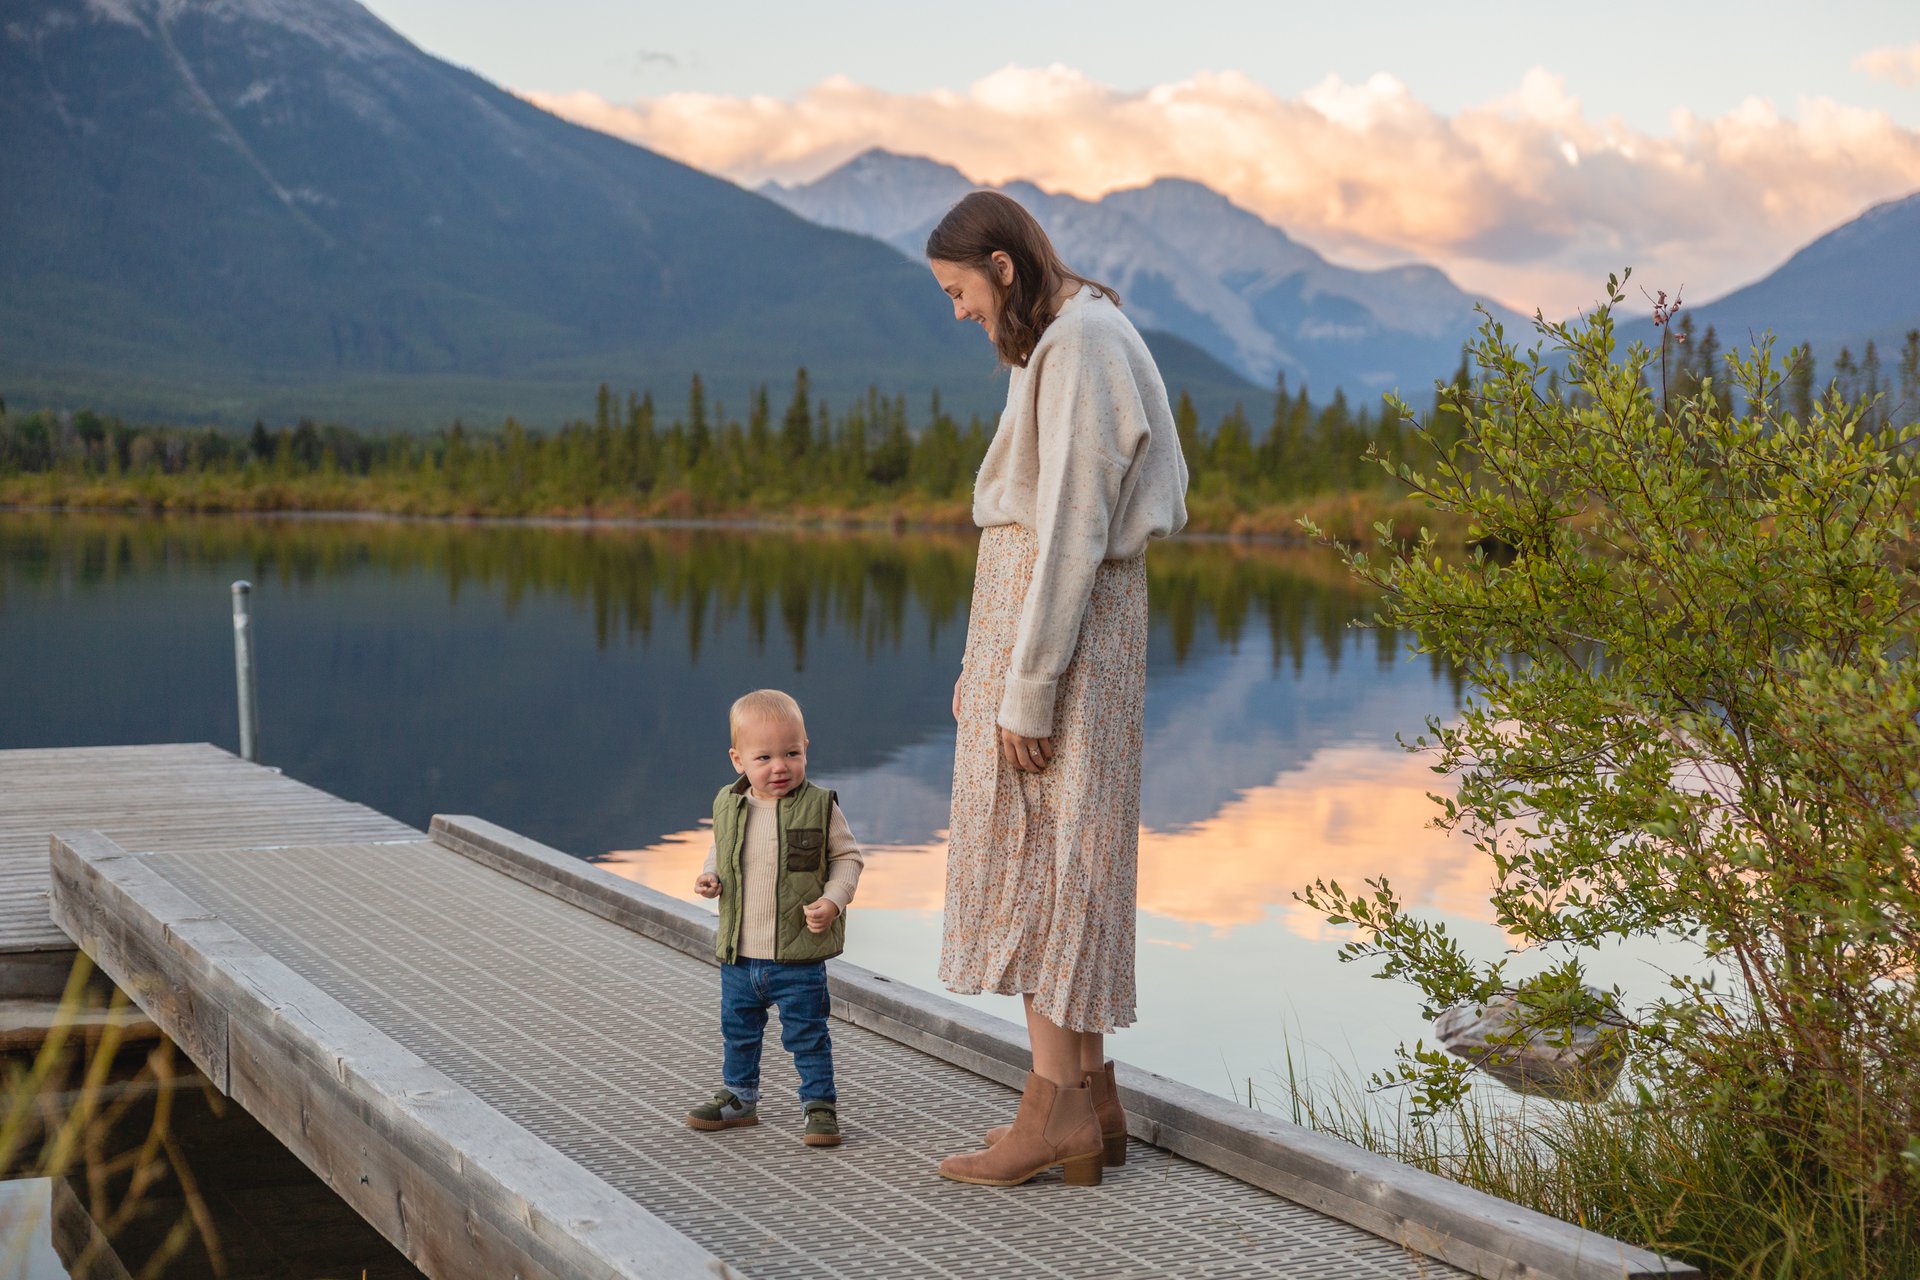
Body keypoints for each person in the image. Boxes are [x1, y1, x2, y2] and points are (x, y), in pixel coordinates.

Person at [928, 191, 1189, 1188]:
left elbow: (1071, 522)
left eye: (957, 289)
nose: (956, 311)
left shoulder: (1078, 341)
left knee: (1041, 849)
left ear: (1001, 264)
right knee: (1068, 842)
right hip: (1052, 621)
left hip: (1059, 628)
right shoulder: (1078, 332)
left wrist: (1025, 684)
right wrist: (979, 666)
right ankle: (1088, 1093)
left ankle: (1055, 1114)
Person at [686, 689, 864, 1149]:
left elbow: (848, 859)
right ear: (737, 760)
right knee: (738, 1030)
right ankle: (740, 1099)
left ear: (806, 748)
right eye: (763, 756)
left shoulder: (821, 806)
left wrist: (833, 900)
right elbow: (720, 850)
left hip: (797, 956)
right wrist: (710, 875)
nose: (779, 766)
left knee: (807, 1033)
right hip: (741, 955)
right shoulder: (729, 803)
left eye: (791, 753)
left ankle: (819, 1105)